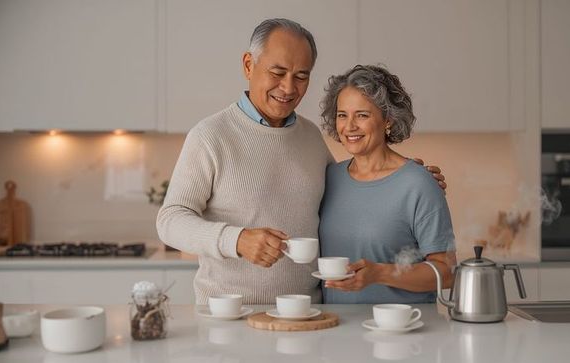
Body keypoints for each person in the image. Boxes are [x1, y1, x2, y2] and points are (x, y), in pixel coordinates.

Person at [156, 18, 446, 305]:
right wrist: (236, 239)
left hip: (307, 314)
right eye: (278, 72)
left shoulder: (310, 137)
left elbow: (351, 186)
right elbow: (170, 220)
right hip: (231, 314)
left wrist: (408, 179)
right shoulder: (210, 136)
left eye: (301, 76)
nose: (288, 87)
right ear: (248, 65)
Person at [319, 64, 456, 304]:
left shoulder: (418, 184)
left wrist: (380, 274)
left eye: (362, 115)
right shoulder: (330, 178)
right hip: (336, 330)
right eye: (342, 115)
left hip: (404, 331)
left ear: (388, 120)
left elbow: (446, 273)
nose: (349, 126)